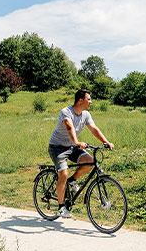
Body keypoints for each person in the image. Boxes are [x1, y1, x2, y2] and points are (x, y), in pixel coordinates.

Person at [48, 89, 113, 218]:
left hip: (72, 147)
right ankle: (61, 207)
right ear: (80, 100)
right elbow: (69, 127)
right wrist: (77, 142)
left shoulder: (86, 114)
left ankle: (72, 181)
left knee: (91, 162)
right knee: (63, 173)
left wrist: (106, 142)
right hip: (57, 147)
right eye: (89, 99)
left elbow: (94, 129)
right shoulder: (66, 112)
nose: (91, 102)